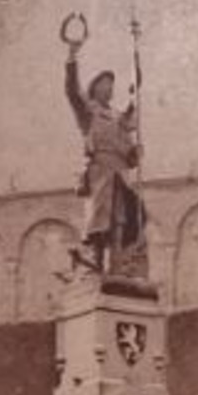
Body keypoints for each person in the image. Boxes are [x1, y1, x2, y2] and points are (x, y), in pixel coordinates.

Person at [65, 44, 145, 274]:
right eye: (105, 85)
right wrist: (71, 58)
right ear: (95, 88)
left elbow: (128, 123)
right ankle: (96, 265)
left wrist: (134, 153)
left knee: (120, 219)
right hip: (100, 171)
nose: (110, 89)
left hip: (120, 172)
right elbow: (72, 92)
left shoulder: (118, 116)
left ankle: (116, 266)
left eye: (112, 85)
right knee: (99, 221)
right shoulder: (88, 112)